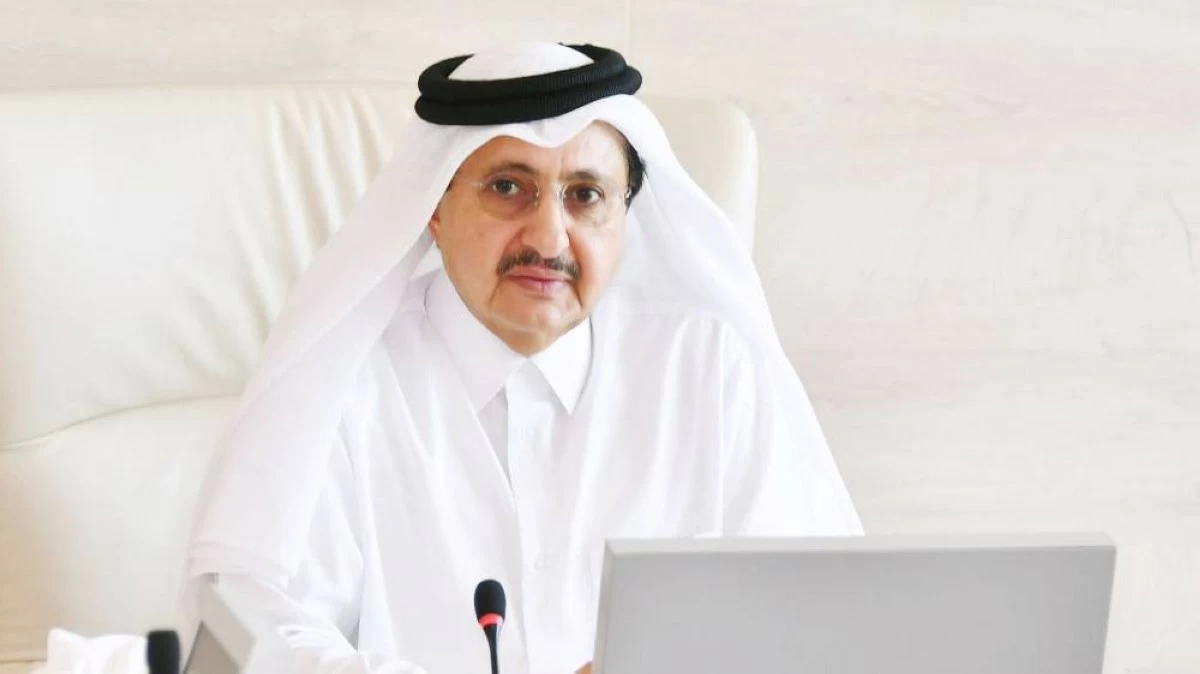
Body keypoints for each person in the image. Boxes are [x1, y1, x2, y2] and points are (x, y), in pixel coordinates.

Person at [185, 42, 862, 674]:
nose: (548, 238)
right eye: (508, 188)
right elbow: (260, 637)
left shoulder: (709, 371)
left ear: (623, 217)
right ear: (435, 207)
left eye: (585, 195)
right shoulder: (343, 383)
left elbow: (816, 621)